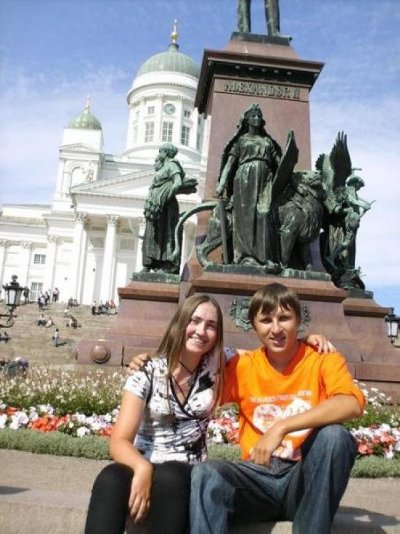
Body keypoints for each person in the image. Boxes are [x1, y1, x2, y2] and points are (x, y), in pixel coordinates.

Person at [190, 283, 365, 534]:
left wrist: (281, 428)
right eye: (265, 320)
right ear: (254, 325)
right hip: (256, 479)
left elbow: (351, 403)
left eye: (284, 318)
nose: (275, 329)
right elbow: (191, 380)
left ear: (299, 321)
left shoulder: (323, 358)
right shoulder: (242, 366)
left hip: (303, 479)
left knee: (335, 437)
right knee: (206, 473)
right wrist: (148, 363)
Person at [85, 294, 225, 534]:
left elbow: (268, 353)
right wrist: (142, 468)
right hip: (144, 460)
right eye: (194, 321)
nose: (201, 331)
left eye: (211, 326)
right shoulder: (147, 371)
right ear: (180, 323)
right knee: (110, 477)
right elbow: (119, 441)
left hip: (186, 470)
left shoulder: (219, 366)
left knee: (170, 476)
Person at [216, 103, 282, 267]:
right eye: (253, 116)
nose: (257, 118)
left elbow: (279, 163)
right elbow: (230, 163)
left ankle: (265, 257)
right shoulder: (241, 140)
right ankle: (244, 257)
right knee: (245, 217)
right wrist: (222, 183)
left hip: (265, 178)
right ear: (246, 120)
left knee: (264, 213)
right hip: (244, 178)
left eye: (259, 116)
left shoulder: (267, 141)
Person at [141, 143, 197, 274]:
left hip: (166, 205)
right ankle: (150, 263)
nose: (159, 154)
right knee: (153, 233)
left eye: (161, 151)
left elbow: (177, 182)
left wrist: (166, 195)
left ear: (166, 152)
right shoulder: (164, 167)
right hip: (157, 205)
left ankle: (167, 264)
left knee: (166, 233)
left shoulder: (172, 165)